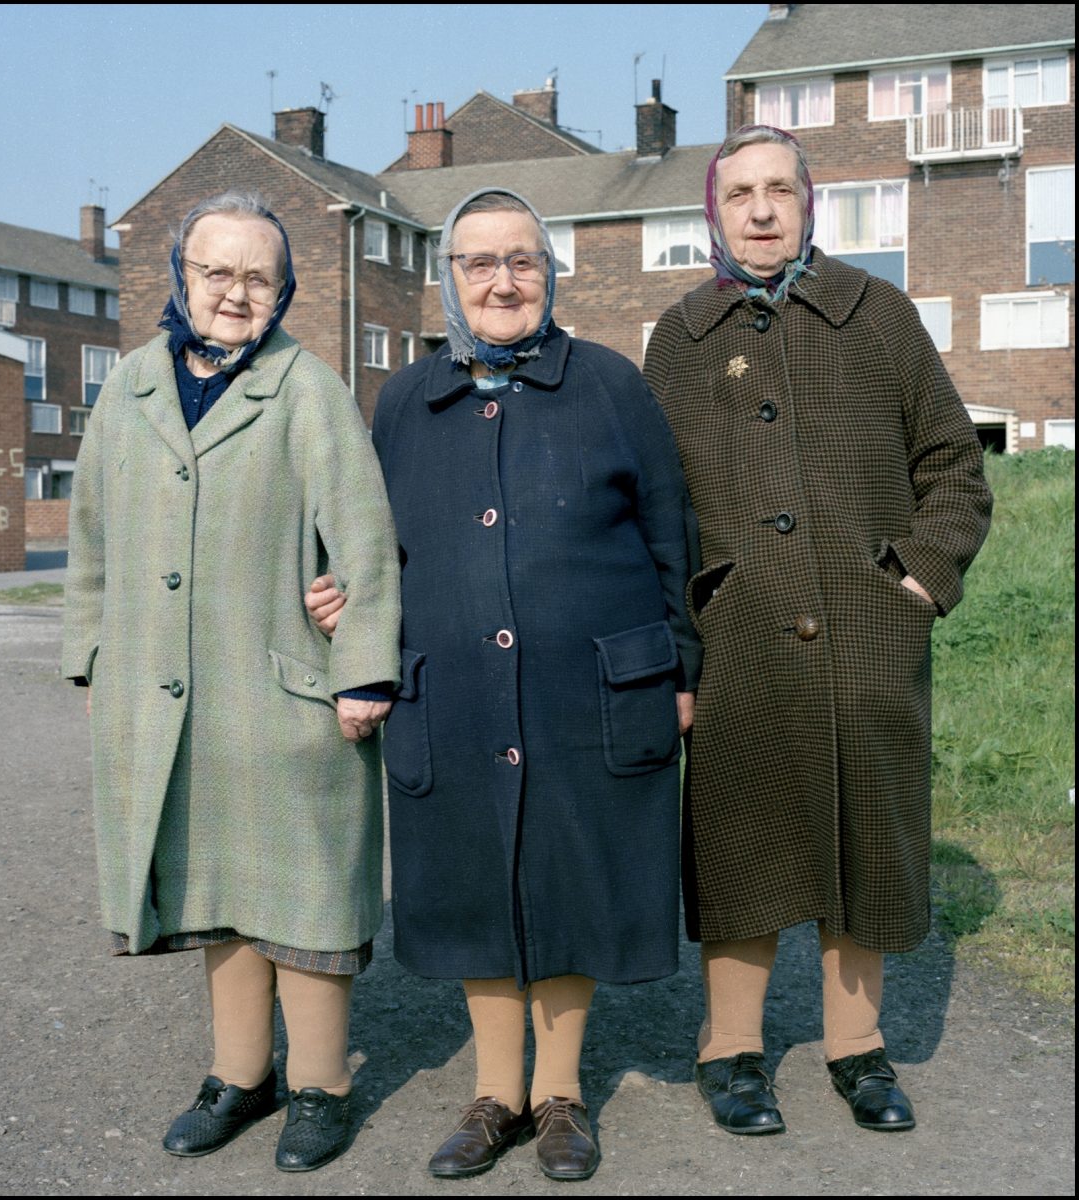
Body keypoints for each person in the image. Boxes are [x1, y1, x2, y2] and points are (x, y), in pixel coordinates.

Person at [306, 187, 702, 1181]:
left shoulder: (613, 385)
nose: (502, 280)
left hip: (591, 687)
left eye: (521, 260)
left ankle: (561, 1094)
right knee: (478, 878)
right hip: (457, 690)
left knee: (570, 872)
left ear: (550, 273)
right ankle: (495, 1092)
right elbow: (364, 541)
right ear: (450, 279)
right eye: (478, 262)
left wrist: (682, 673)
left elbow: (671, 538)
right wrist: (342, 605)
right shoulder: (401, 400)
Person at [642, 126, 992, 1136]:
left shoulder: (879, 316)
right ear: (714, 210)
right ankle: (731, 1047)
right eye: (741, 192)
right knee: (738, 836)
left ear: (809, 203)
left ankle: (858, 1049)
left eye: (780, 191)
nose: (760, 210)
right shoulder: (681, 335)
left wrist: (918, 576)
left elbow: (954, 465)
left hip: (865, 630)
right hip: (738, 634)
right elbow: (653, 500)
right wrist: (684, 618)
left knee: (863, 838)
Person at [61, 192, 401, 1173]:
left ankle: (321, 1086)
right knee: (216, 893)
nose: (234, 293)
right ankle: (240, 1077)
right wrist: (90, 655)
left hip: (286, 699)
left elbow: (368, 549)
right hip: (171, 702)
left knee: (305, 903)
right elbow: (89, 538)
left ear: (285, 291)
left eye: (258, 277)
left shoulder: (309, 391)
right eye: (216, 272)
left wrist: (363, 669)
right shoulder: (127, 389)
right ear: (180, 277)